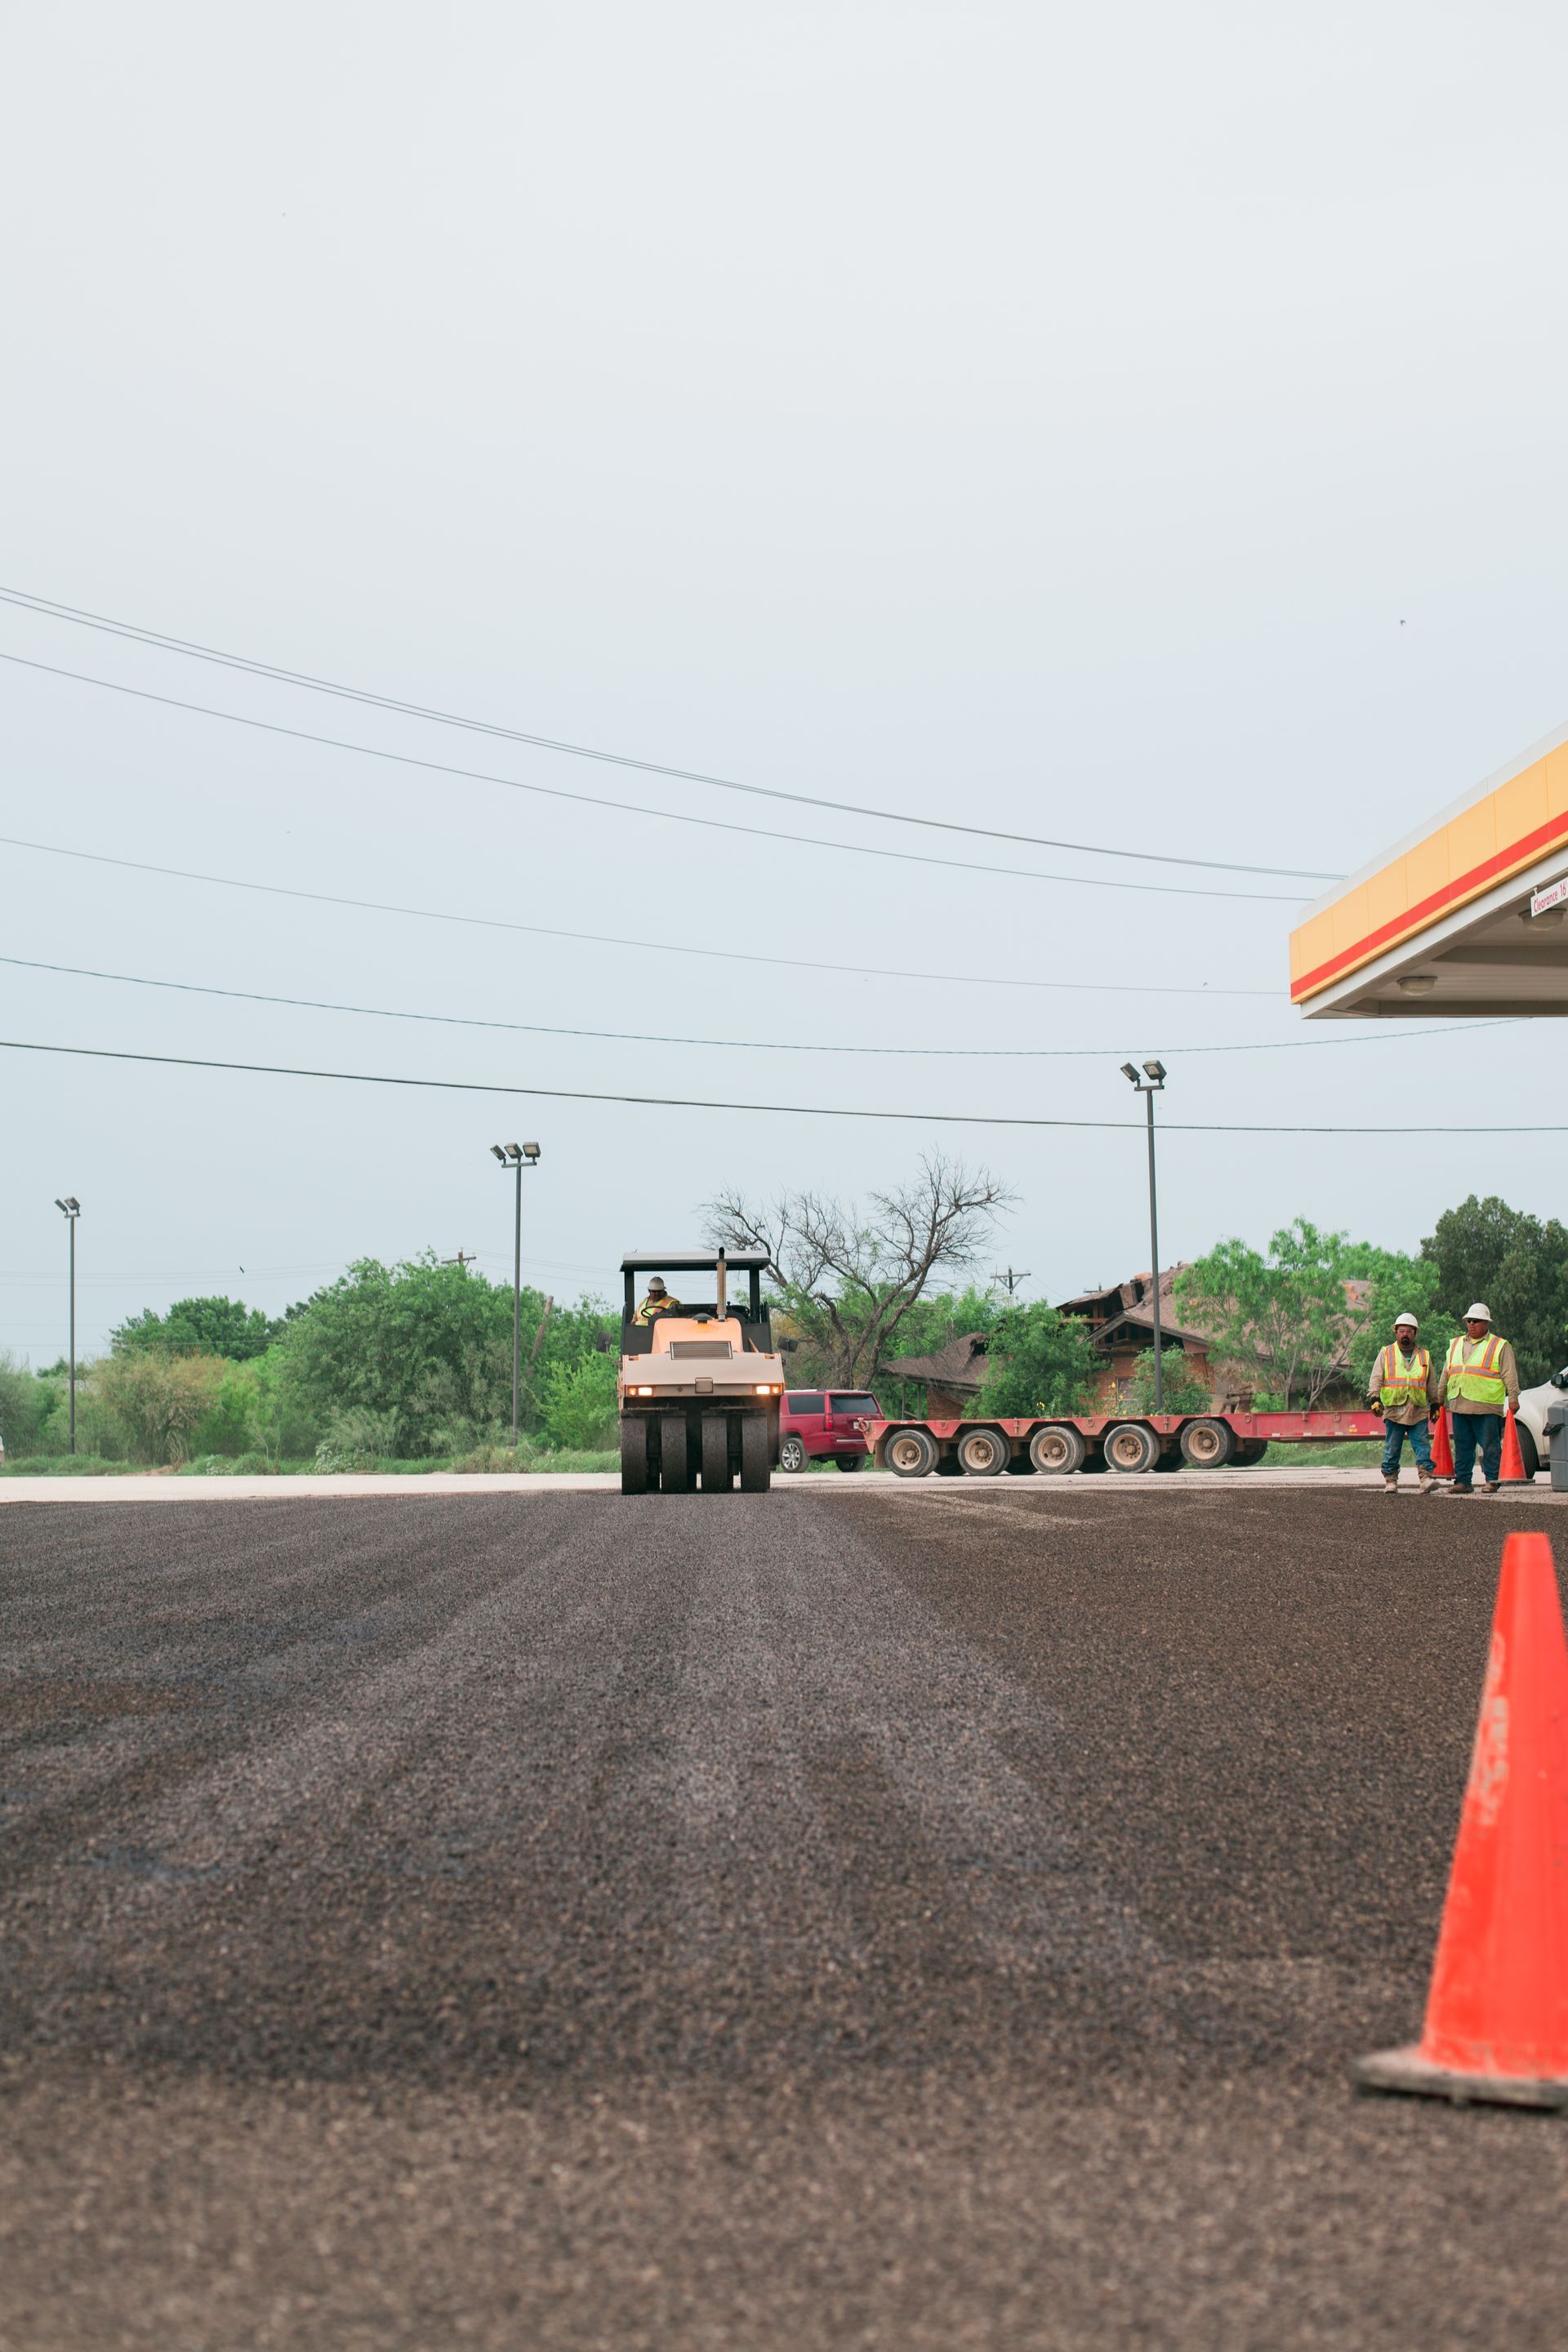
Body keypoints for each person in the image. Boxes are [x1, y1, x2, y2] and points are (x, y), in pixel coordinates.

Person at [1437, 1303, 1520, 1496]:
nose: (1471, 1324)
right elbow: (1446, 1372)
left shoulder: (1500, 1345)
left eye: (1476, 1321)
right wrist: (1439, 1398)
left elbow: (1510, 1374)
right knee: (1463, 1445)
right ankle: (1463, 1481)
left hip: (1486, 1405)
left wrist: (1513, 1397)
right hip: (1460, 1403)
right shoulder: (1455, 1344)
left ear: (1486, 1323)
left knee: (1490, 1445)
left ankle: (1492, 1479)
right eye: (1469, 1321)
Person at [1367, 1312, 1441, 1494]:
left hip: (1418, 1409)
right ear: (1396, 1333)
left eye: (1409, 1331)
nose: (1405, 1334)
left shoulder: (1424, 1355)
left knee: (1422, 1446)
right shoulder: (1386, 1353)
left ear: (1415, 1333)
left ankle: (1425, 1479)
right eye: (1401, 1331)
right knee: (1393, 1447)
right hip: (1394, 1409)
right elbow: (1377, 1376)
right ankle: (1391, 1480)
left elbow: (1431, 1382)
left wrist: (1435, 1404)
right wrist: (1374, 1398)